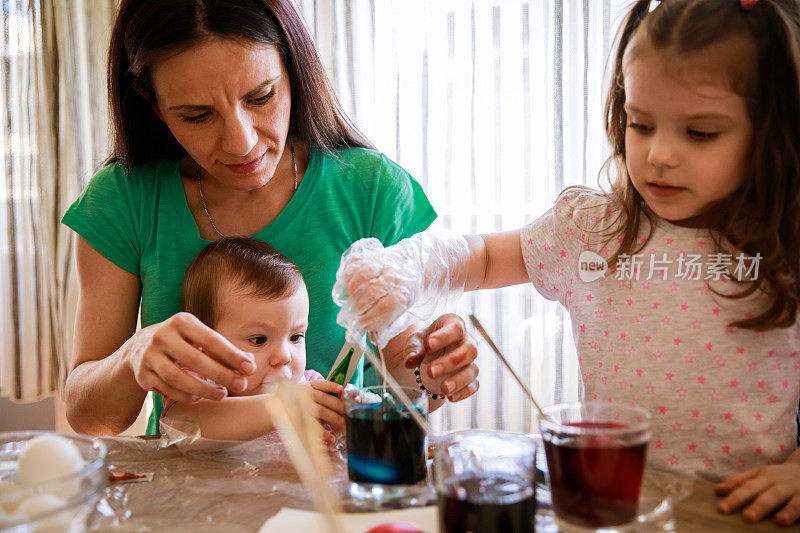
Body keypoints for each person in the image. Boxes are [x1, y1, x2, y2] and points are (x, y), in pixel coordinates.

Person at [335, 0, 800, 526]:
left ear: (772, 130)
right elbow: (483, 258)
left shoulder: (787, 243)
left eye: (700, 133)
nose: (658, 154)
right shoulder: (595, 229)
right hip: (608, 505)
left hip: (740, 513)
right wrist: (405, 269)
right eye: (641, 124)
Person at [61, 0, 479, 438]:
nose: (242, 144)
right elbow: (92, 417)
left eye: (261, 97)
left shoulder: (371, 189)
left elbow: (401, 377)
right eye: (197, 115)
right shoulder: (123, 198)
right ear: (152, 103)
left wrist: (432, 371)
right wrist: (133, 358)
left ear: (293, 71)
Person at [160, 237, 445, 442]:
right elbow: (183, 426)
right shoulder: (198, 383)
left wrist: (344, 424)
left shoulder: (308, 385)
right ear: (202, 345)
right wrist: (284, 407)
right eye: (259, 340)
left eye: (296, 336)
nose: (284, 356)